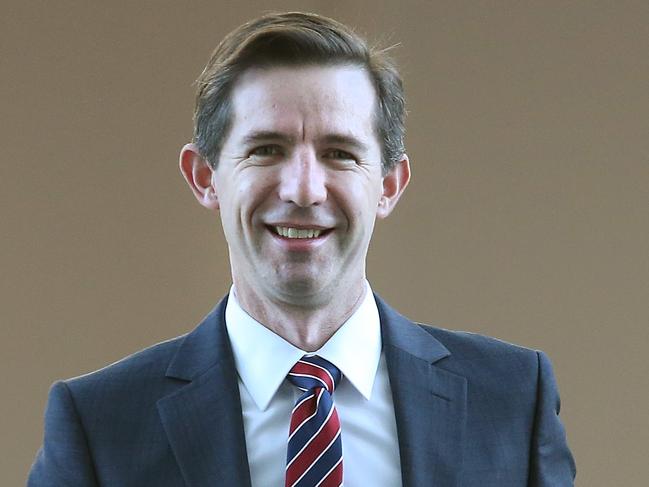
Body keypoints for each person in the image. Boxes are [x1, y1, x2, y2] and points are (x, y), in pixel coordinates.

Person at [28, 11, 575, 487]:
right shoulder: (100, 426)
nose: (304, 190)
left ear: (388, 185)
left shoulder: (509, 401)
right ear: (205, 177)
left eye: (340, 153)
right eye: (267, 149)